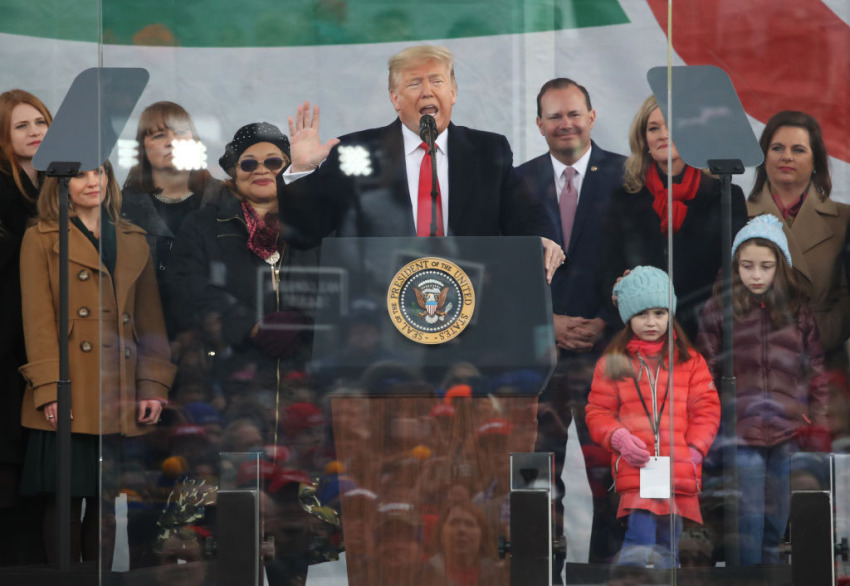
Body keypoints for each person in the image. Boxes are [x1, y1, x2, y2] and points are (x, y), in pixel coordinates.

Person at [278, 44, 564, 282]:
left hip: (473, 312)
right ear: (395, 98)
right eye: (415, 83)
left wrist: (541, 239)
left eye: (437, 81)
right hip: (377, 320)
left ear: (453, 92)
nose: (427, 91)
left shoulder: (488, 150)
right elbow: (303, 234)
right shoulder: (356, 152)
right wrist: (301, 171)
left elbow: (526, 216)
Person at [18, 161, 176, 564]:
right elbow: (37, 321)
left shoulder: (133, 237)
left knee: (108, 506)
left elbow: (150, 320)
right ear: (61, 183)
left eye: (100, 173)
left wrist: (153, 386)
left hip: (118, 387)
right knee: (66, 504)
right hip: (70, 387)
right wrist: (50, 388)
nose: (93, 182)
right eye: (80, 174)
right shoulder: (40, 238)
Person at [516, 77, 627, 565]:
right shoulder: (516, 183)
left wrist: (606, 319)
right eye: (554, 116)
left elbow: (641, 260)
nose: (566, 123)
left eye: (574, 113)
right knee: (536, 476)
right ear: (538, 124)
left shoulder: (628, 177)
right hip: (540, 357)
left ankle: (611, 575)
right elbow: (500, 270)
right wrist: (548, 320)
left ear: (592, 116)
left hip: (610, 354)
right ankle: (542, 571)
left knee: (614, 474)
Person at [697, 214, 829, 565]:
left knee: (776, 522)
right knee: (747, 521)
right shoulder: (719, 310)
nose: (755, 275)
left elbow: (815, 371)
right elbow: (705, 374)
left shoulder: (799, 312)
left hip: (789, 431)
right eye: (747, 265)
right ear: (735, 265)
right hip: (740, 432)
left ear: (780, 267)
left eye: (765, 266)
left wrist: (817, 424)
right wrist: (712, 422)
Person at [166, 122, 318, 405]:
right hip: (230, 377)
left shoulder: (317, 222)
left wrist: (303, 319)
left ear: (288, 168)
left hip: (306, 376)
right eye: (248, 164)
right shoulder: (202, 226)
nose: (261, 170)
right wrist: (250, 325)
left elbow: (342, 282)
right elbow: (187, 286)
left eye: (273, 161)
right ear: (234, 172)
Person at [585, 266, 720, 568]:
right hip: (638, 470)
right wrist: (618, 437)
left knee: (669, 546)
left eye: (660, 313)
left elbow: (707, 409)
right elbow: (598, 412)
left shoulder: (690, 361)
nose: (651, 322)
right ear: (628, 316)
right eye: (642, 314)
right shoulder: (614, 362)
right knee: (640, 541)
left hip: (678, 470)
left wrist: (696, 450)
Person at [597, 95, 748, 340]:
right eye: (654, 128)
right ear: (643, 138)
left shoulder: (726, 196)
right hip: (642, 334)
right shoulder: (625, 199)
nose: (663, 135)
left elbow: (736, 273)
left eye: (673, 127)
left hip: (707, 335)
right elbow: (606, 270)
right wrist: (617, 291)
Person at [746, 110, 850, 361]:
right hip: (755, 359)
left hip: (823, 360)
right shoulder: (737, 214)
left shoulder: (844, 218)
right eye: (777, 148)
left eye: (799, 150)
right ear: (763, 156)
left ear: (816, 160)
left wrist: (814, 337)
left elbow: (847, 296)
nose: (787, 157)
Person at [121, 101, 227, 337]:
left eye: (180, 132)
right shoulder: (122, 207)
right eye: (159, 135)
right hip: (142, 334)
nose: (172, 141)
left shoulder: (224, 200)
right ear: (142, 149)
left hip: (215, 333)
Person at [0, 88, 52, 565]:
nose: (36, 132)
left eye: (41, 122)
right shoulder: (4, 192)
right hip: (9, 345)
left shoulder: (64, 184)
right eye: (22, 125)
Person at [420, 499, 501, 586]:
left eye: (470, 524)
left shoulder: (498, 577)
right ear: (441, 533)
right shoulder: (424, 575)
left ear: (482, 535)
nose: (461, 530)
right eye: (454, 523)